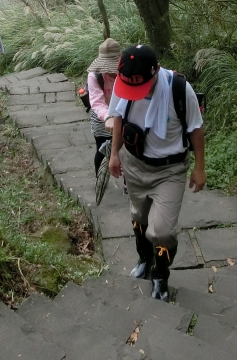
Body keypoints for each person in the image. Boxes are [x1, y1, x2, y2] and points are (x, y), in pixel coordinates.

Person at [108, 44, 205, 302]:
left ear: (156, 71)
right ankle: (144, 257)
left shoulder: (179, 90)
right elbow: (118, 116)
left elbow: (195, 129)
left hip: (170, 170)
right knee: (138, 215)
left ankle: (160, 274)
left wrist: (199, 168)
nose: (134, 94)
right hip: (135, 163)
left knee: (162, 231)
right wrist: (115, 153)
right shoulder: (124, 84)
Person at [85, 38, 120, 175]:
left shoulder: (127, 73)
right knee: (102, 148)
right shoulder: (95, 76)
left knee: (127, 151)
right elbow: (97, 102)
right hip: (101, 117)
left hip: (122, 114)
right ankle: (98, 178)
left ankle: (127, 183)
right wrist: (108, 117)